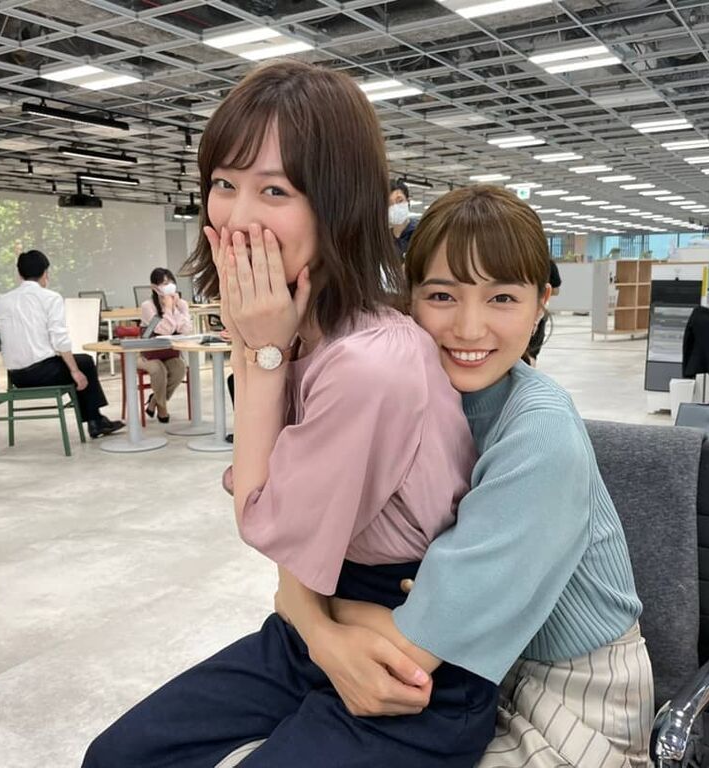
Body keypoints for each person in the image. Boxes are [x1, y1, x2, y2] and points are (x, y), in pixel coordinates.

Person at [82, 61, 498, 768]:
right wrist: (265, 347)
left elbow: (262, 517)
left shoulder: (369, 361)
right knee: (118, 757)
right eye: (224, 184)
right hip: (317, 617)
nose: (239, 217)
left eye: (274, 190)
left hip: (415, 660)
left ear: (338, 205)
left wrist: (260, 354)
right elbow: (274, 512)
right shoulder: (305, 327)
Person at [273, 186, 652, 768]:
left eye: (502, 298)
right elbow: (301, 523)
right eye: (442, 295)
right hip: (471, 669)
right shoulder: (410, 393)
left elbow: (414, 646)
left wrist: (312, 609)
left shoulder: (540, 432)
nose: (470, 328)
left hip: (570, 696)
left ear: (541, 302)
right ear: (410, 298)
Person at [0, 250, 124, 439]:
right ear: (45, 273)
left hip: (17, 376)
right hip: (41, 373)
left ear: (20, 274)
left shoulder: (2, 301)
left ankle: (96, 420)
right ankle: (95, 420)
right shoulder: (50, 298)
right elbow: (59, 339)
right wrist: (74, 371)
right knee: (84, 363)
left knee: (78, 364)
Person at [139, 267, 191, 423]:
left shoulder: (181, 304)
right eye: (164, 283)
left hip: (170, 352)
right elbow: (164, 330)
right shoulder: (148, 306)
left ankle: (154, 400)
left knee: (179, 367)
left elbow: (186, 329)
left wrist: (177, 308)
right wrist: (168, 308)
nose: (169, 286)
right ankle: (162, 407)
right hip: (148, 354)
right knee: (158, 370)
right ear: (154, 287)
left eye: (171, 282)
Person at [527, 258, 561, 365]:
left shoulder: (518, 260)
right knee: (531, 352)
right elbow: (556, 290)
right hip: (540, 309)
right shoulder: (548, 263)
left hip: (537, 311)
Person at [390, 178, 418, 257]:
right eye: (389, 204)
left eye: (400, 201)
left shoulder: (420, 234)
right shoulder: (383, 239)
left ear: (408, 202)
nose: (395, 207)